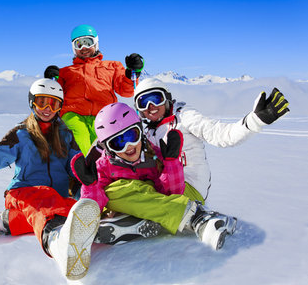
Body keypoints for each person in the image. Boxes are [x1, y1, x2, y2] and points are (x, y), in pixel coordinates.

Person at [0, 78, 100, 280]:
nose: (47, 109)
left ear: (60, 106)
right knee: (47, 200)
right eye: (41, 102)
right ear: (32, 102)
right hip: (23, 193)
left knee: (71, 204)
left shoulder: (65, 135)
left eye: (53, 103)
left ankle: (3, 221)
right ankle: (55, 241)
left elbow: (74, 165)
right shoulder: (20, 134)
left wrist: (87, 174)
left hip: (54, 199)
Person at [71, 102, 238, 250]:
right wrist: (90, 186)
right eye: (118, 142)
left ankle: (194, 217)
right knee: (111, 193)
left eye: (132, 136)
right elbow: (94, 207)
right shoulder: (103, 167)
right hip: (128, 206)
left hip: (156, 201)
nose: (128, 146)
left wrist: (171, 163)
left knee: (117, 191)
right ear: (109, 149)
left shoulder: (154, 156)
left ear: (141, 133)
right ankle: (145, 219)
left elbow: (172, 193)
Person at [133, 78, 291, 202]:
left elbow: (221, 134)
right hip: (165, 185)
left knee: (144, 196)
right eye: (143, 103)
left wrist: (254, 121)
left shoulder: (184, 117)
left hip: (189, 186)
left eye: (155, 98)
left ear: (166, 98)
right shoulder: (148, 132)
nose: (150, 106)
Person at [44, 24, 144, 156]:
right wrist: (51, 79)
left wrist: (132, 73)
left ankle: (107, 168)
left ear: (96, 43)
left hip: (104, 114)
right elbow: (55, 93)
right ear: (73, 48)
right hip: (73, 113)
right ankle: (83, 170)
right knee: (78, 136)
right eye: (78, 44)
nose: (83, 48)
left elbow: (126, 91)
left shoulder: (112, 66)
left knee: (104, 142)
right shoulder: (66, 72)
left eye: (88, 42)